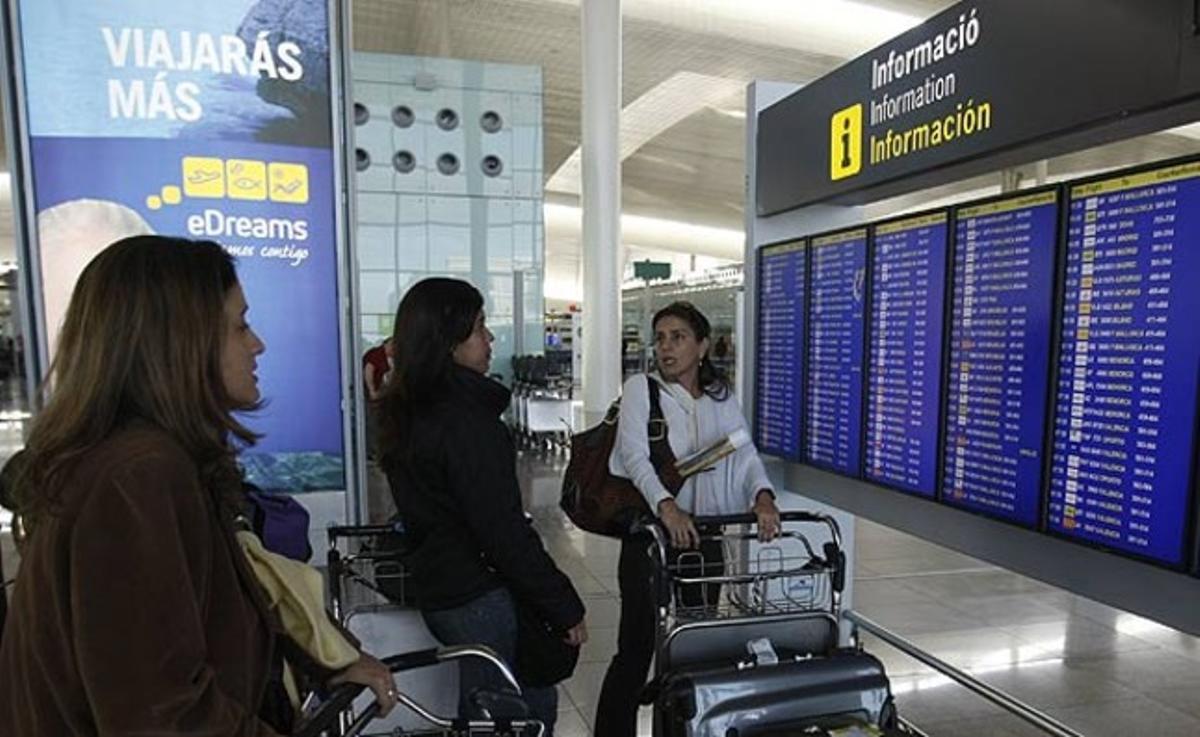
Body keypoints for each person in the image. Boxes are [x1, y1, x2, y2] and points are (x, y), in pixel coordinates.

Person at [0, 235, 398, 735]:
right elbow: (162, 715)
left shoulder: (143, 463)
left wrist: (319, 660)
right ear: (179, 341)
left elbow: (189, 632)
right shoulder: (137, 478)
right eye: (239, 325)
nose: (257, 343)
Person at [378, 277, 587, 734]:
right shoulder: (467, 423)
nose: (489, 339)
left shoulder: (410, 412)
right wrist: (563, 605)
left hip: (442, 590)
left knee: (483, 709)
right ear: (447, 341)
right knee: (518, 715)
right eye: (478, 328)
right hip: (480, 597)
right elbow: (502, 532)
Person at [595, 301, 782, 736]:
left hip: (705, 537)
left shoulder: (721, 398)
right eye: (660, 338)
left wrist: (763, 495)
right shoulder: (642, 389)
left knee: (696, 641)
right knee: (638, 646)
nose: (665, 347)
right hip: (651, 538)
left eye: (677, 337)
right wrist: (666, 506)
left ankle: (681, 727)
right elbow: (634, 456)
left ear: (701, 346)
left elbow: (745, 453)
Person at [363, 337, 392, 401]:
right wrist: (372, 391)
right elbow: (369, 370)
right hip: (368, 393)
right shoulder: (377, 354)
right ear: (386, 344)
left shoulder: (386, 357)